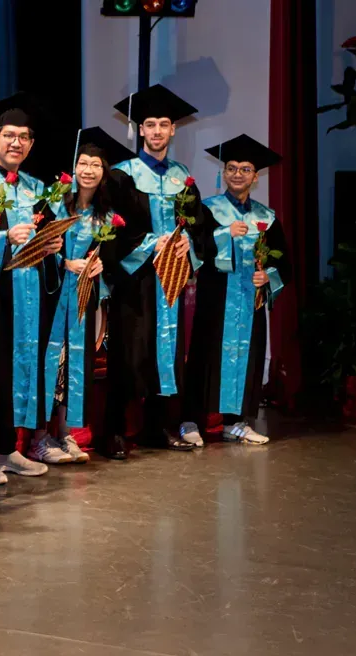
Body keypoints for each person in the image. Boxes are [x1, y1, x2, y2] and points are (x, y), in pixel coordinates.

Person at [0, 92, 67, 484]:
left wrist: (54, 245)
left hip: (27, 296)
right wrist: (8, 235)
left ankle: (5, 449)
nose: (16, 143)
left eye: (24, 136)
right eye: (8, 135)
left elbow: (47, 236)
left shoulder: (36, 188)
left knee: (14, 367)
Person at [107, 85, 215, 456]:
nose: (156, 131)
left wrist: (189, 245)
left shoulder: (182, 177)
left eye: (163, 124)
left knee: (165, 353)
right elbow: (113, 228)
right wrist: (150, 243)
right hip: (135, 279)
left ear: (173, 131)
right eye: (149, 124)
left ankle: (157, 428)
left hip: (169, 280)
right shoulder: (123, 175)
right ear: (139, 130)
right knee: (129, 352)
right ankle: (114, 432)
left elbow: (199, 224)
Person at [184, 135, 291, 444]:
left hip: (249, 302)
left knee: (248, 357)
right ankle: (191, 420)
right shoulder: (208, 210)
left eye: (245, 169)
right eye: (231, 168)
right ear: (223, 173)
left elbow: (283, 262)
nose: (237, 174)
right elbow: (195, 248)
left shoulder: (266, 218)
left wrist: (268, 278)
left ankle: (236, 422)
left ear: (255, 177)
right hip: (214, 298)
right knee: (205, 354)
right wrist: (223, 232)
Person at [42, 127, 136, 461]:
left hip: (85, 297)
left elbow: (112, 259)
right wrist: (63, 261)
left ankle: (66, 434)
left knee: (75, 364)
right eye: (83, 162)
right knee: (52, 362)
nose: (89, 169)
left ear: (104, 171)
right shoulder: (55, 204)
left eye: (96, 164)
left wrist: (102, 269)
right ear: (74, 166)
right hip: (52, 296)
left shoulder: (107, 216)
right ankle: (42, 437)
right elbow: (39, 247)